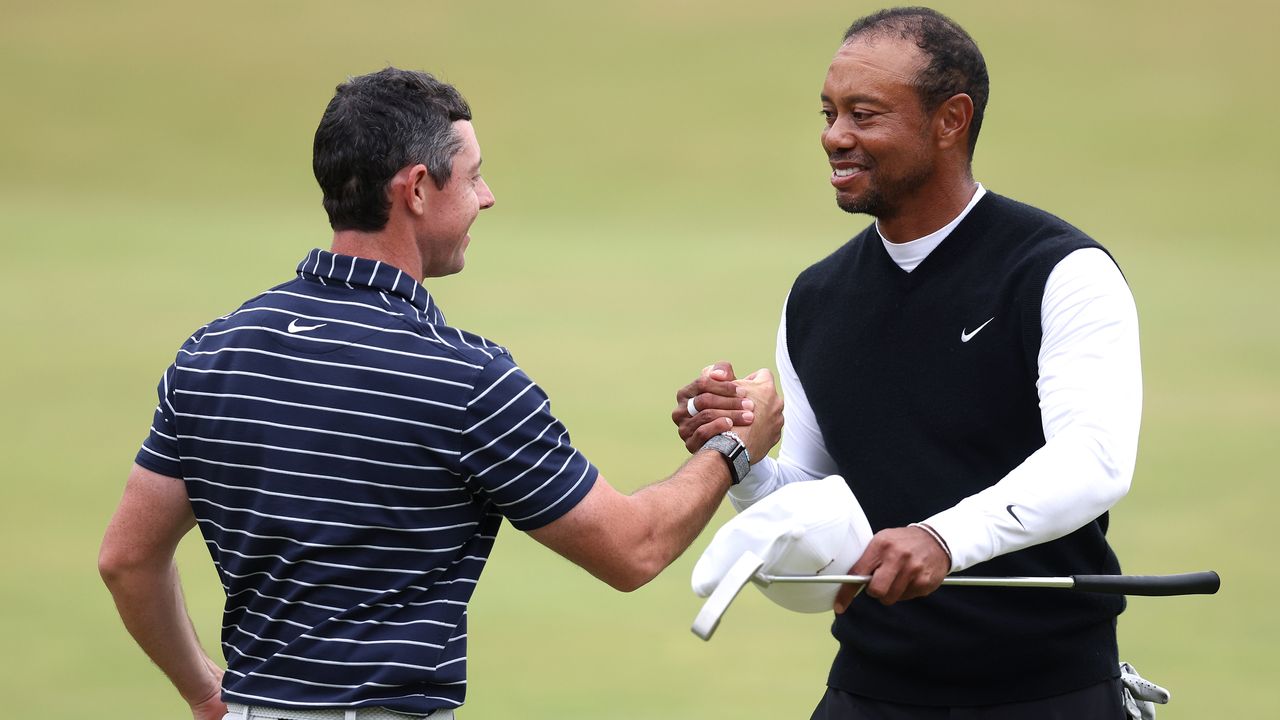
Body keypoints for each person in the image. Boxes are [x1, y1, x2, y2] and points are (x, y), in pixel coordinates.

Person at [98, 67, 783, 720]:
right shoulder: (464, 381)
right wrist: (734, 448)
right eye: (475, 176)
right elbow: (632, 549)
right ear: (417, 188)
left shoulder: (213, 353)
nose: (487, 197)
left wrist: (203, 692)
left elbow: (127, 559)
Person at [674, 7, 1141, 718]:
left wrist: (942, 537)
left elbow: (1095, 459)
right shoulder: (817, 297)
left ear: (951, 119)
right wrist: (739, 459)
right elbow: (814, 511)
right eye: (829, 113)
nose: (835, 136)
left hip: (1047, 692)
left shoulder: (1059, 271)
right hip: (872, 690)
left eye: (863, 114)